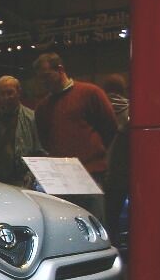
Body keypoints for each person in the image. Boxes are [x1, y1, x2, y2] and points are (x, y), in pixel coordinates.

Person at [33, 52, 118, 219]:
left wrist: (94, 153)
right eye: (40, 78)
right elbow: (46, 139)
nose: (44, 82)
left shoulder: (91, 93)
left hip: (90, 175)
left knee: (95, 225)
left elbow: (110, 126)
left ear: (60, 69)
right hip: (61, 179)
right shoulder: (43, 107)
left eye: (46, 76)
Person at [0, 76, 46, 186]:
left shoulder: (31, 118)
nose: (6, 97)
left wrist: (31, 175)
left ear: (19, 92)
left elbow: (40, 152)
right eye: (2, 94)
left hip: (20, 181)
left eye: (10, 92)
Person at [101, 74, 130, 245]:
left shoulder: (99, 108)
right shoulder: (132, 110)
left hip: (98, 170)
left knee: (104, 216)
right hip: (123, 170)